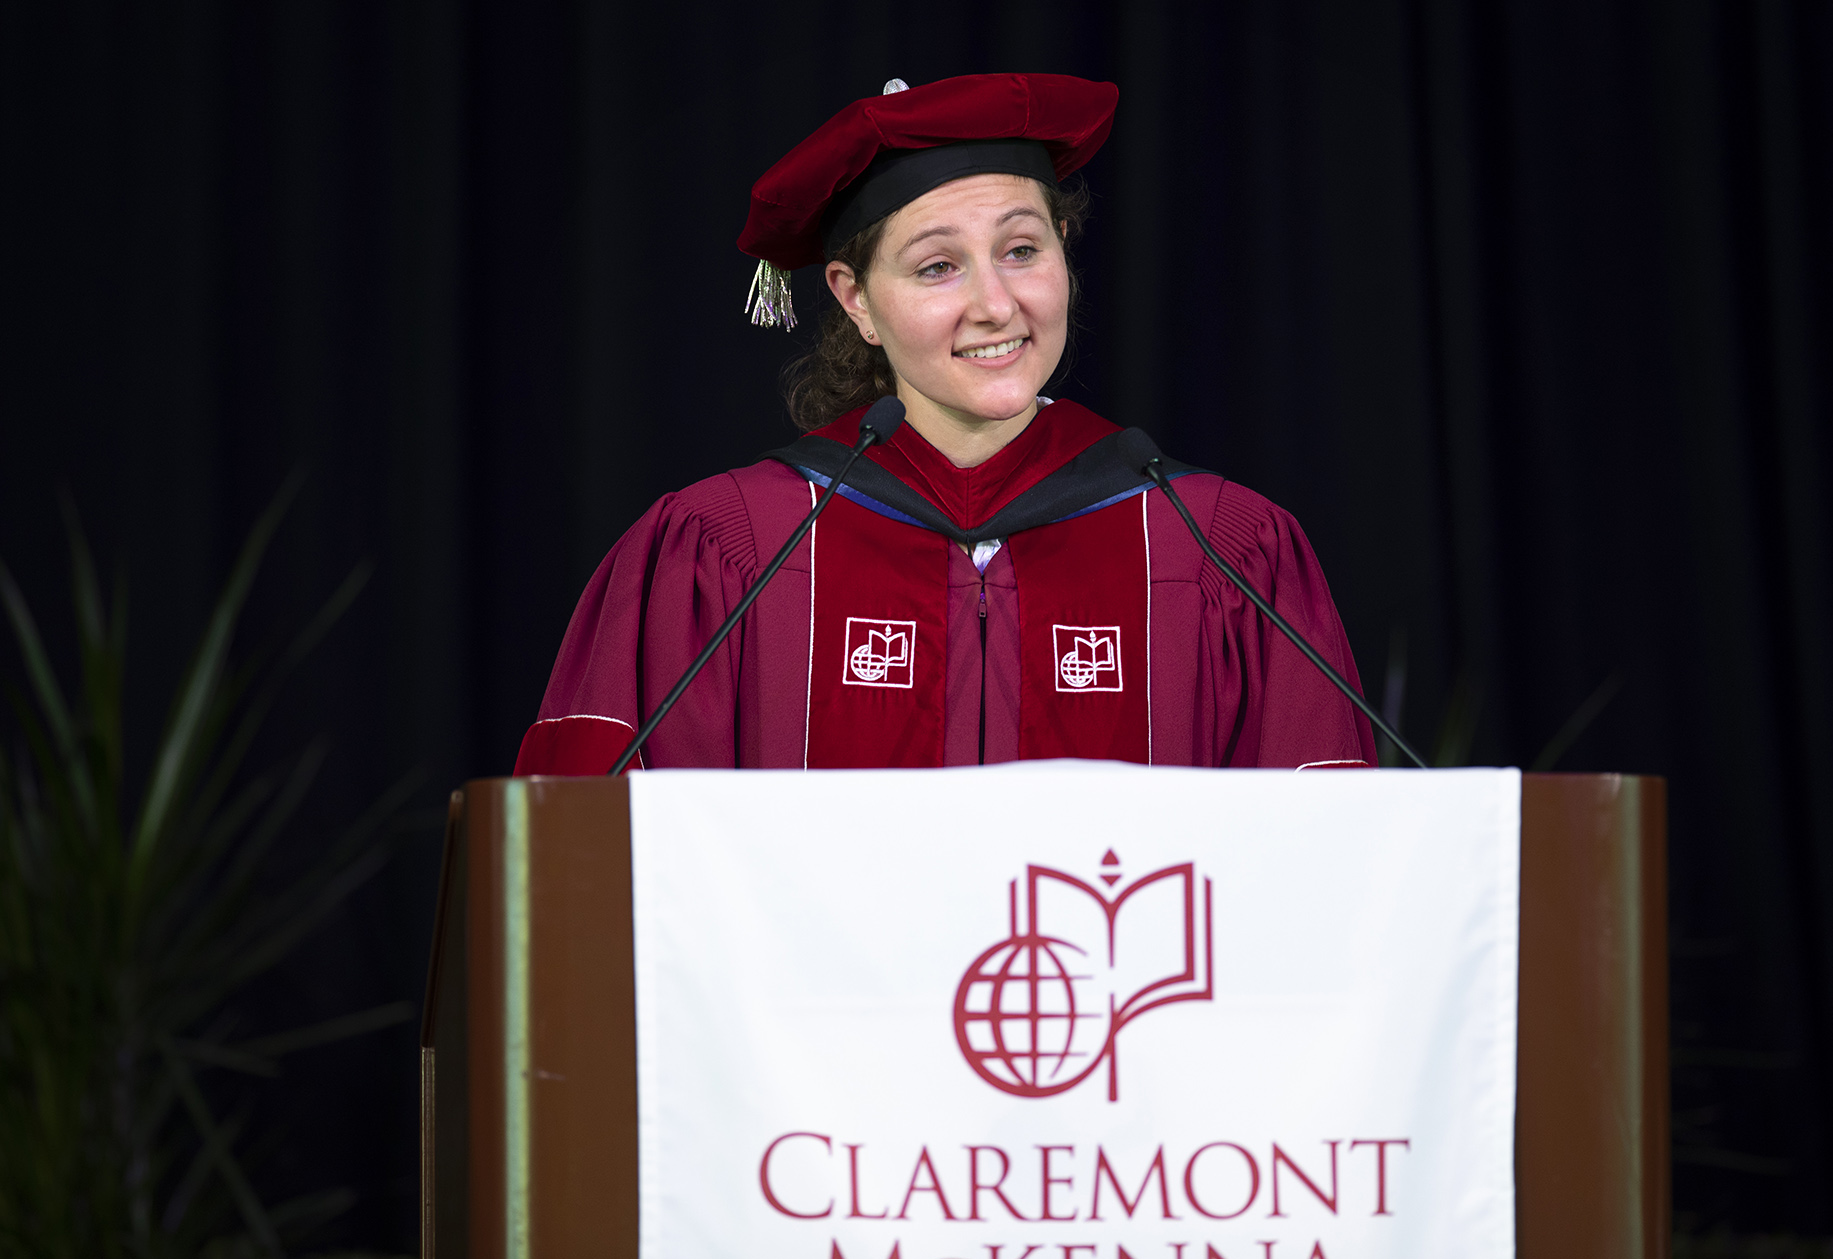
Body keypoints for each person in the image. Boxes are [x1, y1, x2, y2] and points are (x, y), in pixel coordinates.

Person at [514, 73, 1377, 775]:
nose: (995, 304)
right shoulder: (725, 550)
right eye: (937, 266)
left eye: (1022, 249)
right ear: (856, 300)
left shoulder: (1219, 547)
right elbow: (588, 879)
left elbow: (1327, 882)